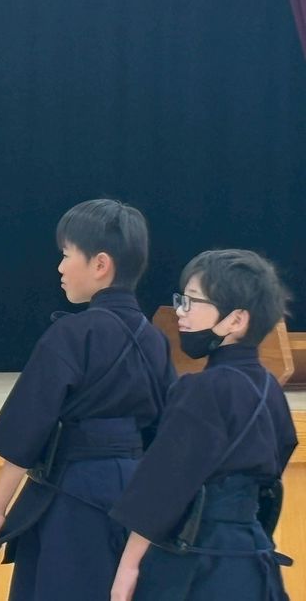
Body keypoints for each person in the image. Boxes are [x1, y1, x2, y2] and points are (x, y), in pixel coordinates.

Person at [0, 199, 176, 600]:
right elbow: (165, 432)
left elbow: (26, 431)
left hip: (74, 494)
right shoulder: (156, 341)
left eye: (66, 255)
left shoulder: (70, 335)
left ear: (100, 264)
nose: (60, 268)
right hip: (135, 495)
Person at [109, 249, 298, 601]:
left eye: (192, 301)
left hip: (197, 560)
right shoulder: (269, 388)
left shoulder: (201, 388)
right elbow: (276, 466)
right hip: (254, 559)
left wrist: (128, 566)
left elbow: (162, 483)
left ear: (235, 320)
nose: (181, 311)